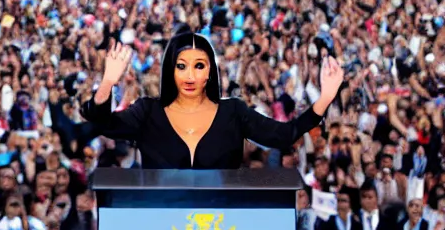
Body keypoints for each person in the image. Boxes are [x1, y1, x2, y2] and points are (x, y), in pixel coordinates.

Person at [83, 30, 344, 169]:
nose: (190, 75)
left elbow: (285, 135)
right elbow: (102, 122)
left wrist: (326, 97)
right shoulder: (148, 111)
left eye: (199, 66)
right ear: (170, 70)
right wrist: (108, 82)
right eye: (181, 66)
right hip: (161, 226)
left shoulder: (233, 112)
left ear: (210, 72)